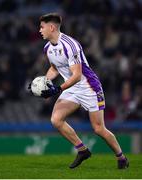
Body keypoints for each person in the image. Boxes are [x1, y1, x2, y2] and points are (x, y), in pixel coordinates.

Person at [29, 13, 129, 169]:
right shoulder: (47, 48)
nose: (39, 30)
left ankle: (121, 157)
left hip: (89, 87)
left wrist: (57, 89)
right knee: (56, 119)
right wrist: (41, 83)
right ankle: (82, 150)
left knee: (98, 129)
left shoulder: (70, 45)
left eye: (42, 27)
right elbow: (55, 68)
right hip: (72, 88)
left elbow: (76, 75)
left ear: (52, 27)